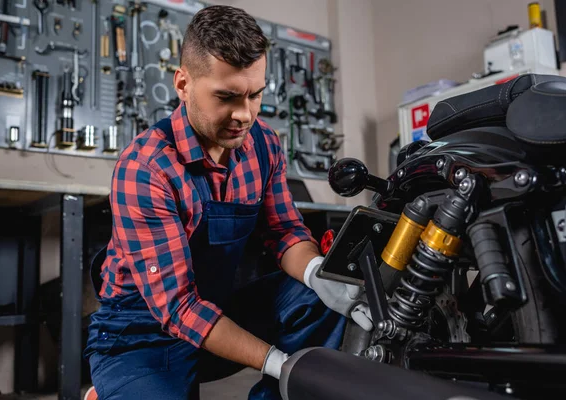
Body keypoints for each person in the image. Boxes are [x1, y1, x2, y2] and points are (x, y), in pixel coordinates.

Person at [84, 5, 372, 400]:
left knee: (315, 297)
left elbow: (285, 232)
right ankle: (115, 389)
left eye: (255, 95)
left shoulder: (264, 144)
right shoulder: (146, 169)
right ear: (183, 84)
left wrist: (319, 273)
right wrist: (276, 361)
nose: (245, 114)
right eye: (227, 97)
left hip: (218, 314)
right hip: (141, 336)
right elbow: (180, 307)